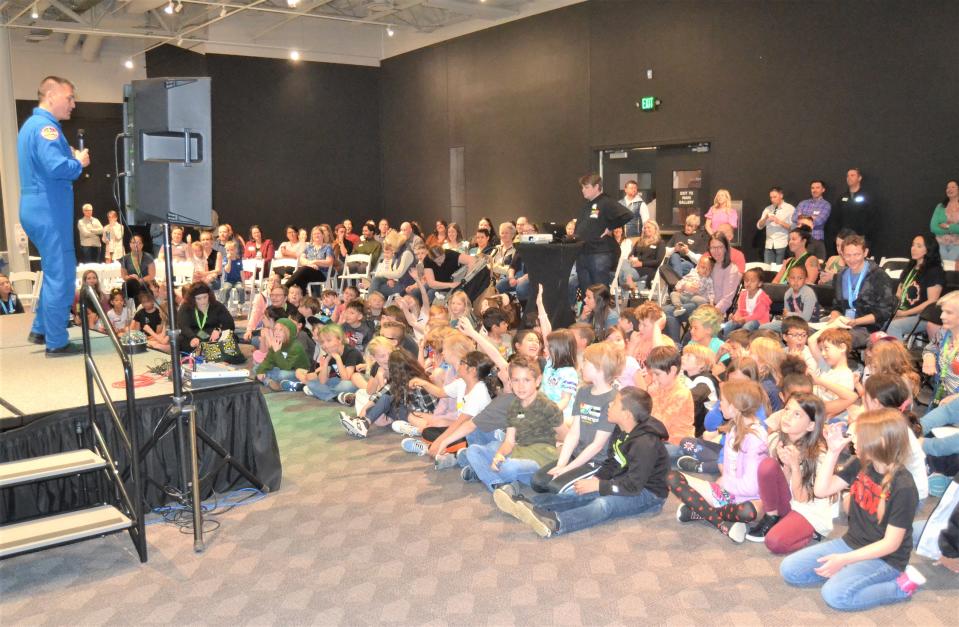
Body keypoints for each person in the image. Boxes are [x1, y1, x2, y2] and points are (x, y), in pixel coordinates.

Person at [780, 411, 924, 611]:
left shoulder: (904, 486)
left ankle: (899, 587)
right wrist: (833, 452)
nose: (852, 439)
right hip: (851, 543)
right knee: (789, 569)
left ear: (879, 442)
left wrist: (844, 560)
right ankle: (851, 570)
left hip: (885, 559)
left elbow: (890, 544)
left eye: (858, 435)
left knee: (835, 595)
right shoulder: (860, 463)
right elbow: (822, 491)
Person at [494, 386, 669, 538]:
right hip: (626, 481)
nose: (609, 405)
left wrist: (600, 486)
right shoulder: (622, 429)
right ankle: (529, 505)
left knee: (603, 504)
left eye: (614, 403)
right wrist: (596, 480)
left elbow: (633, 486)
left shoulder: (645, 443)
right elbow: (613, 461)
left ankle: (557, 523)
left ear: (627, 414)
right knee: (579, 492)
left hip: (648, 494)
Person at [18, 75, 90, 355]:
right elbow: (56, 168)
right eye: (69, 97)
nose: (73, 104)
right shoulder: (46, 128)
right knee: (61, 273)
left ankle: (41, 328)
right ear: (51, 96)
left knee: (52, 271)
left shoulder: (31, 127)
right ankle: (57, 341)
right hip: (49, 210)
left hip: (35, 206)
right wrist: (77, 162)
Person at [668, 379, 768, 543]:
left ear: (734, 407)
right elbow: (728, 468)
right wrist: (723, 483)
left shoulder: (756, 438)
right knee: (672, 477)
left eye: (722, 401)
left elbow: (751, 487)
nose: (719, 405)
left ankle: (702, 511)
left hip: (749, 499)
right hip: (727, 494)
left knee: (748, 512)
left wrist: (724, 483)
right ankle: (722, 523)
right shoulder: (734, 428)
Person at [825, 234, 895, 349]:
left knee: (833, 341)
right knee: (812, 333)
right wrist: (833, 318)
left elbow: (883, 313)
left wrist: (856, 322)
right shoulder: (840, 276)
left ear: (865, 252)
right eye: (848, 255)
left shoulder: (878, 276)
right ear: (842, 254)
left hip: (868, 327)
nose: (852, 259)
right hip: (844, 324)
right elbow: (837, 306)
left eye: (856, 254)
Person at [573, 174, 633, 289]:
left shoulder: (606, 202)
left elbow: (628, 214)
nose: (583, 190)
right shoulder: (587, 205)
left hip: (599, 253)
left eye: (586, 187)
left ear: (596, 187)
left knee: (599, 291)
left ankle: (601, 308)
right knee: (586, 291)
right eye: (582, 187)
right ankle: (587, 307)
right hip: (583, 253)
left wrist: (611, 227)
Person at [887, 234, 945, 340]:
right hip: (903, 312)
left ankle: (897, 356)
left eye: (919, 246)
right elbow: (899, 293)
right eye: (913, 245)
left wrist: (905, 313)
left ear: (928, 249)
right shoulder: (910, 267)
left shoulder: (934, 271)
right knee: (880, 320)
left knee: (893, 326)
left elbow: (932, 301)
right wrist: (894, 311)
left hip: (923, 316)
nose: (913, 249)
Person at [835, 168, 876, 253]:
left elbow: (872, 217)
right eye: (847, 176)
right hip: (844, 238)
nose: (849, 178)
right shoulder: (842, 197)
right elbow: (836, 218)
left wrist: (865, 235)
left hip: (861, 237)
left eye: (852, 175)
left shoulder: (867, 197)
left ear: (859, 178)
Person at [621, 219, 664, 292]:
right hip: (633, 266)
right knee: (624, 262)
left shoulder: (660, 243)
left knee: (621, 275)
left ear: (655, 229)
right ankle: (630, 285)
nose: (646, 229)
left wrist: (641, 264)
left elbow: (658, 261)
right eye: (645, 228)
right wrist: (632, 259)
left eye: (648, 227)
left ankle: (627, 297)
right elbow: (630, 255)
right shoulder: (639, 241)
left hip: (647, 269)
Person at [757, 187, 795, 264]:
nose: (772, 199)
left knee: (780, 270)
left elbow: (793, 228)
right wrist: (765, 218)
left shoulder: (790, 209)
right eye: (771, 197)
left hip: (782, 244)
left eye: (775, 197)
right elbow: (759, 226)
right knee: (767, 270)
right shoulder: (768, 209)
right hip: (769, 245)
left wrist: (779, 221)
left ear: (781, 195)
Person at [119, 234, 156, 302]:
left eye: (138, 243)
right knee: (127, 286)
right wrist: (132, 278)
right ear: (130, 244)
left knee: (144, 287)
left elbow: (152, 275)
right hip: (132, 284)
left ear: (142, 245)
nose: (136, 245)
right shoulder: (125, 258)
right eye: (133, 242)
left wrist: (139, 280)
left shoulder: (148, 257)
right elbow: (124, 276)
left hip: (146, 283)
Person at [929, 179, 959, 261]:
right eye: (948, 188)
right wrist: (953, 229)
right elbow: (933, 227)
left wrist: (947, 226)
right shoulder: (940, 207)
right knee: (943, 267)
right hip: (941, 243)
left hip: (957, 244)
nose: (949, 189)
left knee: (950, 265)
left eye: (953, 187)